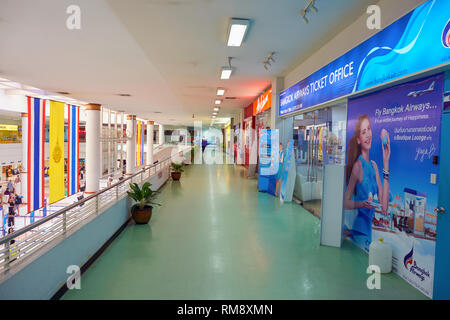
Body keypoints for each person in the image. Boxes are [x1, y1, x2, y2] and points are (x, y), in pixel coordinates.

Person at [344, 114, 391, 252]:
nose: (368, 134)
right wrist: (361, 204)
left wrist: (386, 161)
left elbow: (384, 207)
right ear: (358, 139)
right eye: (363, 132)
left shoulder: (373, 166)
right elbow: (345, 202)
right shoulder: (358, 165)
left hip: (368, 229)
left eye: (369, 129)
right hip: (360, 228)